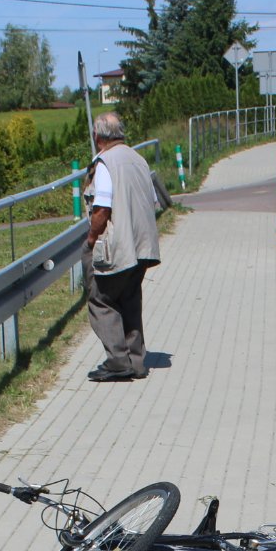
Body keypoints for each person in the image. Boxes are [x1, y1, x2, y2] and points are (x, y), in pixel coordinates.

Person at [84, 112, 165, 382]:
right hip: (144, 245)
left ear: (98, 137)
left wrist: (92, 238)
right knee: (130, 300)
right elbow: (153, 200)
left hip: (119, 245)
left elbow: (102, 208)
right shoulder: (138, 159)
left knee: (101, 298)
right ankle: (137, 361)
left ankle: (118, 361)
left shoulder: (105, 162)